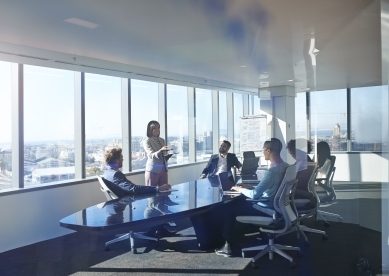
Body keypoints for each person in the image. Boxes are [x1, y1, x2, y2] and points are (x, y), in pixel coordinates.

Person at [215, 138, 289, 257]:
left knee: (229, 208)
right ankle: (263, 234)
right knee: (241, 201)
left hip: (266, 207)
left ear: (269, 150)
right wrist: (249, 186)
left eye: (263, 150)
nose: (263, 152)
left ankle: (227, 246)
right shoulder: (285, 166)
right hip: (279, 206)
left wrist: (239, 189)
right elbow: (272, 186)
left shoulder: (271, 172)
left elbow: (255, 195)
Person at [103, 147, 171, 197]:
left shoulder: (107, 173)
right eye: (121, 158)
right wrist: (158, 188)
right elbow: (133, 189)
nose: (123, 159)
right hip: (128, 200)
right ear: (117, 161)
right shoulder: (116, 175)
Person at [143, 120, 172, 187]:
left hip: (163, 169)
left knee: (164, 192)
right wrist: (161, 150)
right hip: (153, 170)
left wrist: (166, 157)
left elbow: (161, 155)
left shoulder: (162, 140)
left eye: (158, 128)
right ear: (150, 130)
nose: (157, 130)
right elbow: (151, 155)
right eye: (154, 128)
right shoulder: (147, 141)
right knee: (151, 193)